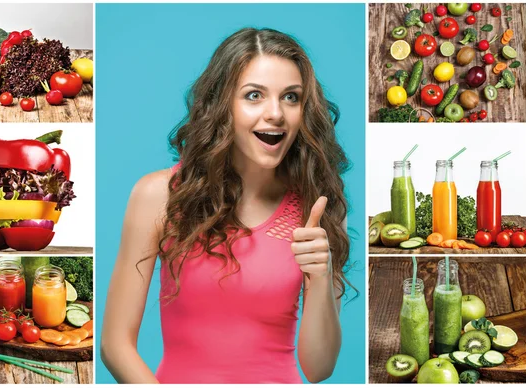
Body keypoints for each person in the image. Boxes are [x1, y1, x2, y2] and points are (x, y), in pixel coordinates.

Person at [101, 27, 353, 384]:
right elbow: (115, 345)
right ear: (223, 104)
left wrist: (321, 275)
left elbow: (319, 368)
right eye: (254, 95)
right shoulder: (158, 195)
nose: (276, 114)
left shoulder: (319, 208)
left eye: (291, 97)